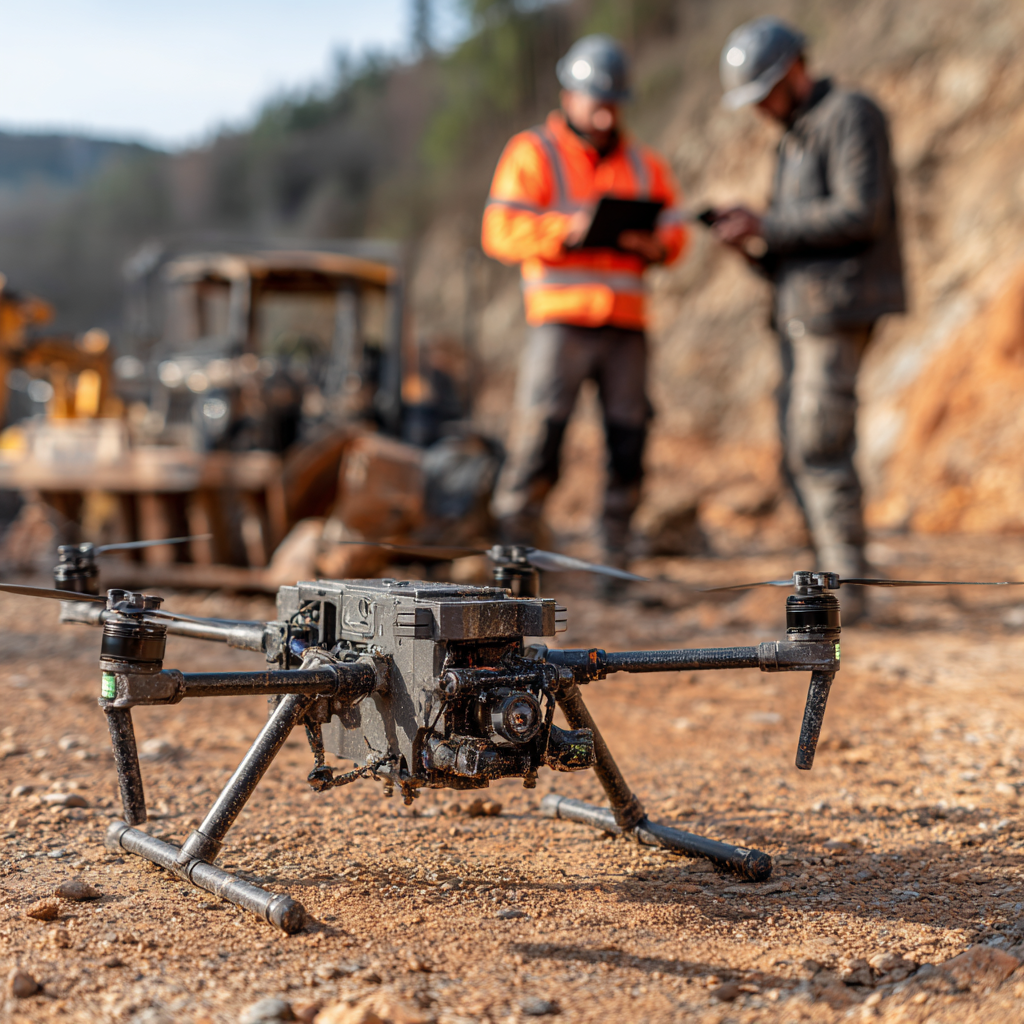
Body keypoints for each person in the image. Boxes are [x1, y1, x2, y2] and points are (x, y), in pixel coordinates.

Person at [711, 17, 905, 618]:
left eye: (766, 91)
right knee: (802, 446)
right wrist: (752, 246)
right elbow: (793, 250)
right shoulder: (792, 138)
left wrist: (766, 223)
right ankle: (827, 581)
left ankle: (850, 593)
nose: (762, 107)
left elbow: (859, 212)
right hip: (802, 309)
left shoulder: (849, 114)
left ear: (796, 66)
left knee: (819, 441)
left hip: (838, 306)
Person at [481, 34, 688, 571]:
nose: (605, 114)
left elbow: (675, 234)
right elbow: (499, 231)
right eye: (597, 100)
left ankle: (614, 561)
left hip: (626, 325)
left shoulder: (646, 164)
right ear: (568, 94)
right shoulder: (532, 153)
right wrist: (564, 230)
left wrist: (656, 246)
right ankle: (514, 562)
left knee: (629, 440)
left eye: (614, 102)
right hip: (560, 322)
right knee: (540, 437)